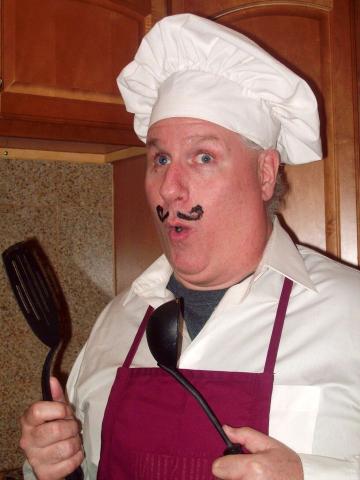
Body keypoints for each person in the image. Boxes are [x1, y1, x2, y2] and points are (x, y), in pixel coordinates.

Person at [20, 13, 360, 480]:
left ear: (264, 173)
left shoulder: (349, 312)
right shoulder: (116, 322)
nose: (170, 190)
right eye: (160, 158)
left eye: (203, 157)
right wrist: (50, 467)